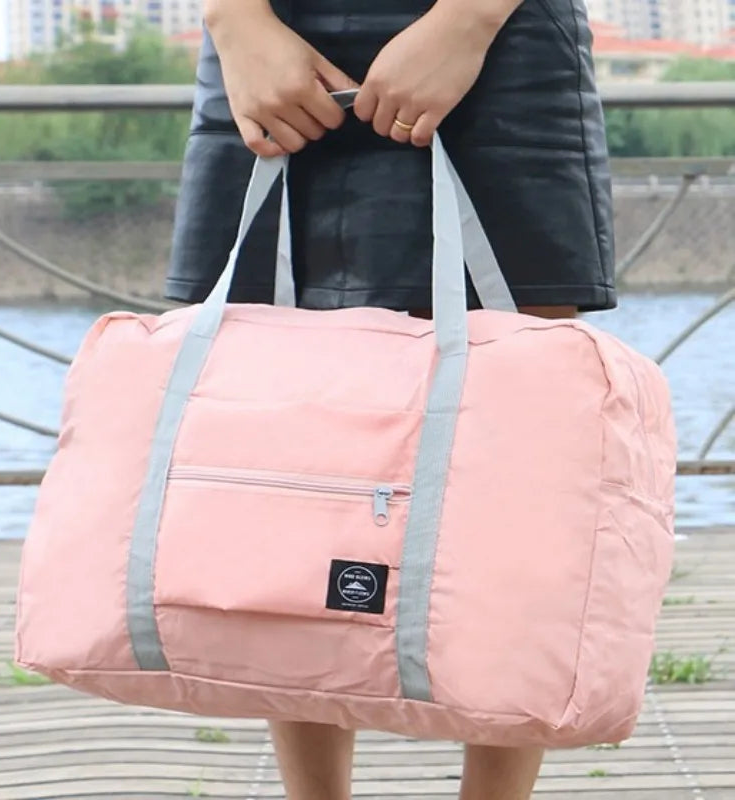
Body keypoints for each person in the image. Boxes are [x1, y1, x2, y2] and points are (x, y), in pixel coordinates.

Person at [166, 0, 616, 797]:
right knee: (283, 427)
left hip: (497, 38)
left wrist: (470, 20)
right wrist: (233, 20)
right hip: (269, 37)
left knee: (515, 432)